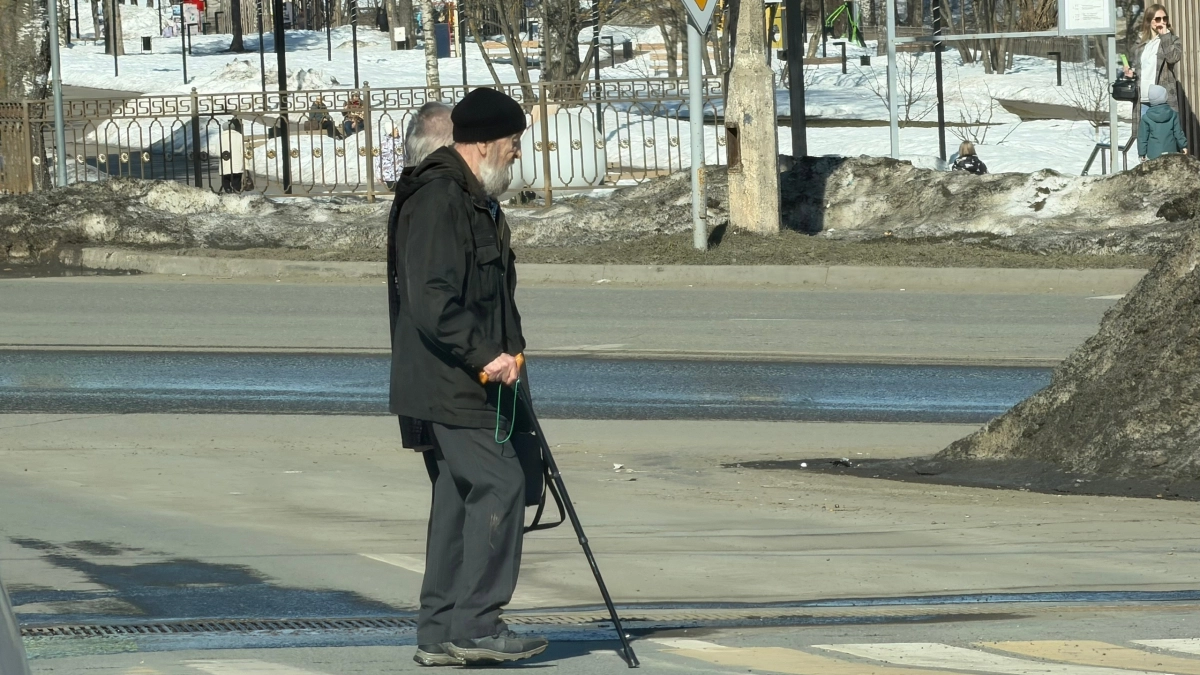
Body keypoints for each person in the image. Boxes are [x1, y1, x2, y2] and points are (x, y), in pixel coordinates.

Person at [387, 87, 547, 667]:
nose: (517, 153)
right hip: (450, 378)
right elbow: (431, 298)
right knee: (500, 485)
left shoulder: (473, 198)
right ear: (482, 144)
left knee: (459, 498)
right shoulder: (440, 198)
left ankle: (441, 631)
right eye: (512, 142)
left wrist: (512, 354)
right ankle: (477, 625)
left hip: (469, 374)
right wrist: (485, 356)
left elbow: (492, 293)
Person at [1123, 4, 1182, 133]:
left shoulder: (1172, 40)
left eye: (1164, 18)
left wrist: (1165, 36)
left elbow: (1173, 58)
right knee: (1145, 140)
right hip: (1143, 100)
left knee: (1163, 139)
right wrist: (1132, 74)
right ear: (1149, 21)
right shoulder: (1142, 43)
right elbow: (1142, 69)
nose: (1162, 22)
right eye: (1158, 19)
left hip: (1161, 101)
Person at [1138, 84, 1189, 161]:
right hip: (1171, 153)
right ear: (1165, 97)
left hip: (1153, 154)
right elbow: (1178, 132)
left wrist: (1142, 153)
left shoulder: (1146, 118)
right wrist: (1183, 146)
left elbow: (1142, 137)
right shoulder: (1173, 114)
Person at [375, 119, 405, 191]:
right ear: (390, 131)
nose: (397, 130)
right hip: (389, 175)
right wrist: (378, 175)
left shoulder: (401, 141)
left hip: (401, 173)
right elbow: (379, 160)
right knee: (394, 190)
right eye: (395, 129)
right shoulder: (384, 143)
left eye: (397, 128)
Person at [219, 119, 246, 193]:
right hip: (237, 165)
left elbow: (217, 151)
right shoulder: (239, 136)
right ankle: (236, 192)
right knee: (236, 181)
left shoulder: (220, 137)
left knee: (226, 180)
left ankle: (228, 191)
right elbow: (243, 150)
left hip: (225, 163)